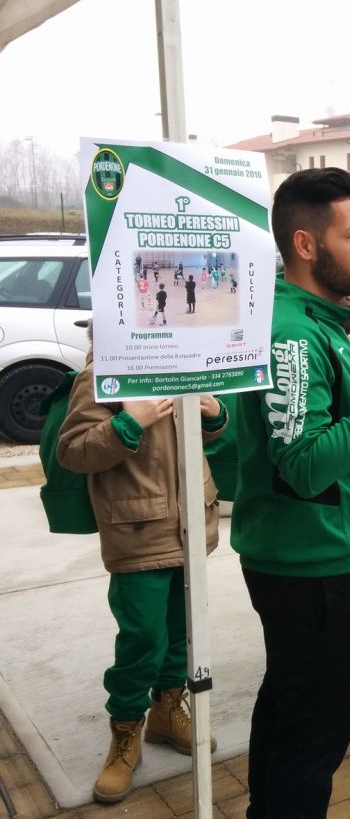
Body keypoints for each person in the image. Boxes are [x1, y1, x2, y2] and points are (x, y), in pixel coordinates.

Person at [231, 167, 350, 818]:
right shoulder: (293, 333)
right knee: (313, 735)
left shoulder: (313, 319)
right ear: (306, 244)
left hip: (308, 555)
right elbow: (305, 467)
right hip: (309, 564)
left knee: (291, 709)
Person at [56, 327, 227, 804]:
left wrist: (215, 413)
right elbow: (73, 451)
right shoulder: (103, 373)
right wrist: (129, 423)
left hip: (192, 523)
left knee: (182, 630)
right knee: (142, 638)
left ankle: (167, 711)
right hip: (137, 532)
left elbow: (204, 435)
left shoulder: (186, 362)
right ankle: (125, 730)